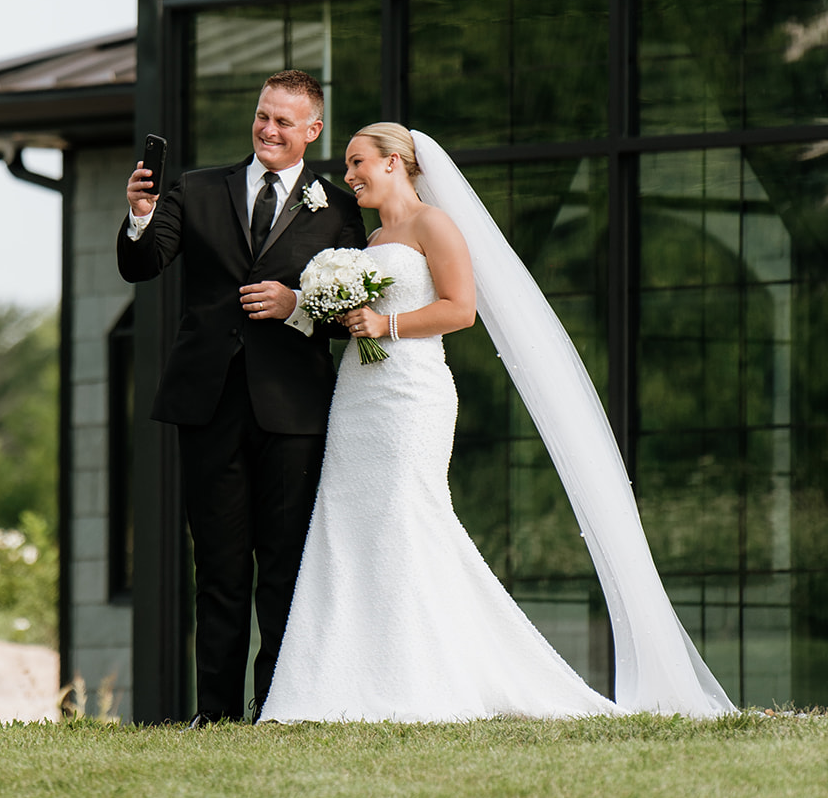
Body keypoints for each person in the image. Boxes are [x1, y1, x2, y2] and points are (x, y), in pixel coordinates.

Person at [262, 124, 733, 722]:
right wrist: (331, 308)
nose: (349, 174)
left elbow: (461, 310)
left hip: (412, 394)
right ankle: (342, 680)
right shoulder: (375, 235)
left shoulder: (435, 225)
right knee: (347, 520)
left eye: (359, 162)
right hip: (359, 393)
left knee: (408, 515)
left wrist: (387, 326)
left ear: (396, 163)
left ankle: (426, 677)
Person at [117, 70, 364, 724]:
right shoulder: (195, 189)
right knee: (221, 569)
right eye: (262, 116)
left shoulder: (339, 209)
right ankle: (215, 716)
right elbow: (143, 264)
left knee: (284, 569)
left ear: (313, 130)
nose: (269, 130)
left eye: (285, 121)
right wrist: (140, 218)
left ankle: (278, 710)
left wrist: (298, 306)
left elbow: (357, 315)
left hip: (294, 412)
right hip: (208, 405)